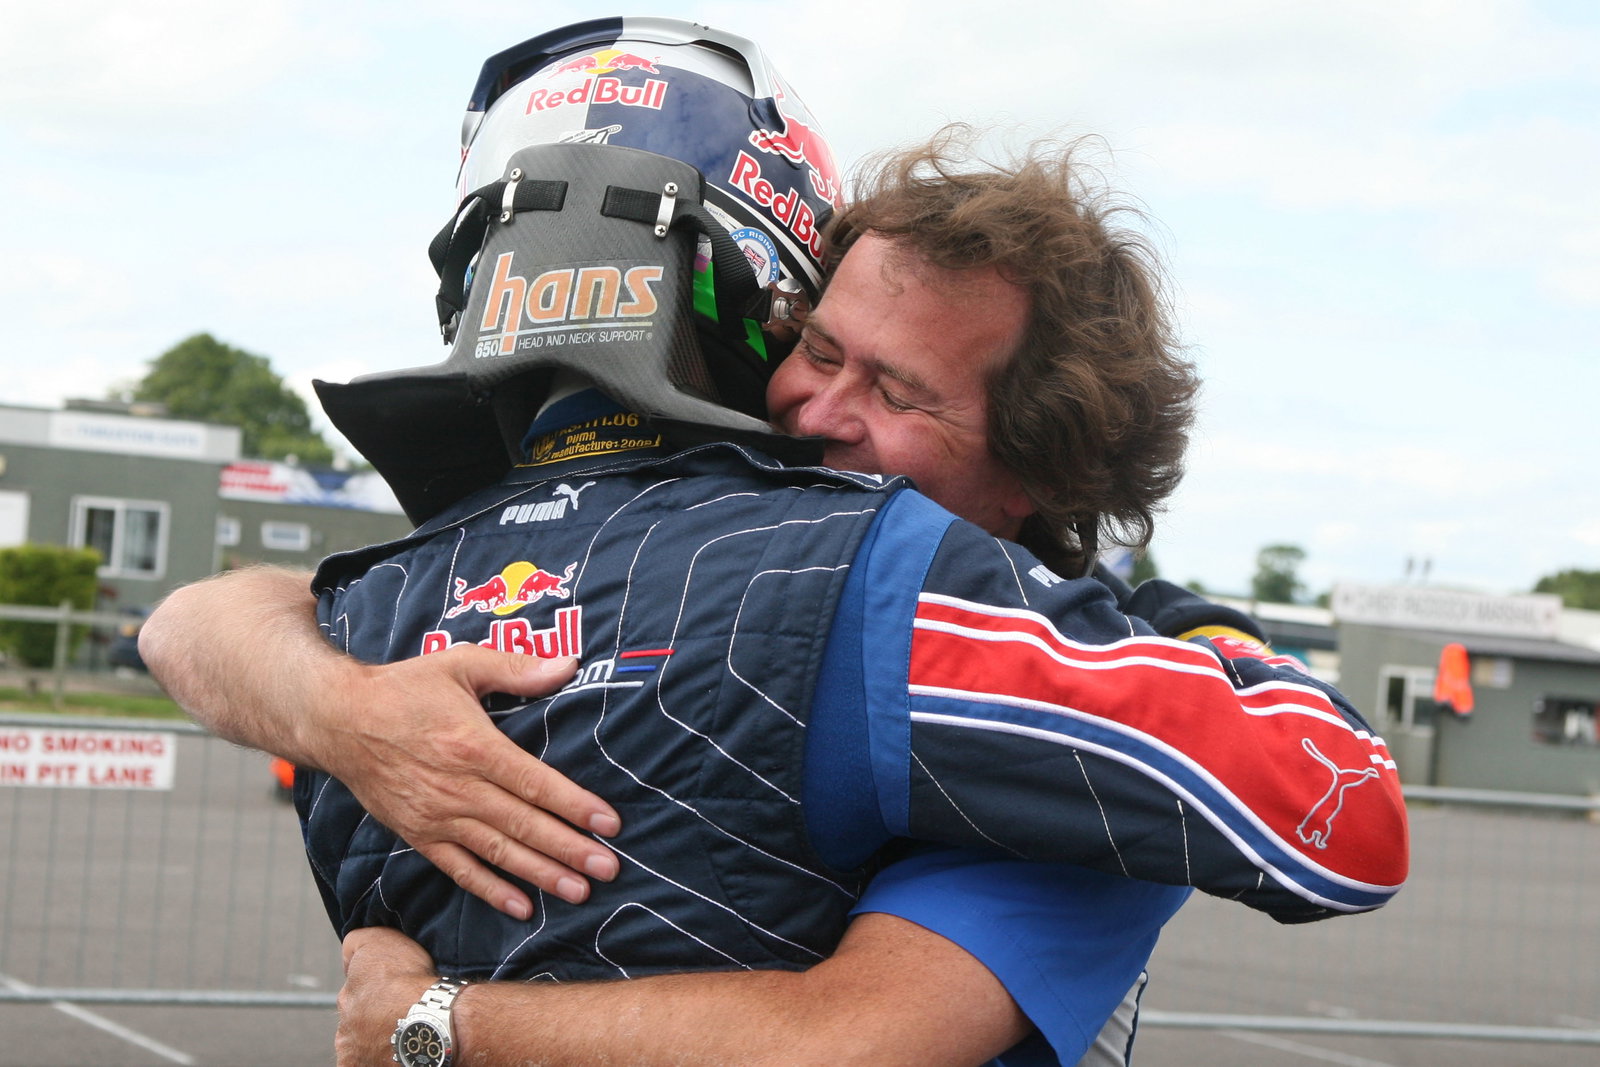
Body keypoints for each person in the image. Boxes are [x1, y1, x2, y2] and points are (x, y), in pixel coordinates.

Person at [142, 19, 1408, 1067]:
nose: (815, 408)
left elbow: (212, 616)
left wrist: (427, 1015)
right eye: (817, 347)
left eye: (897, 393)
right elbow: (195, 619)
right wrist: (343, 709)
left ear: (1039, 466)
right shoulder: (928, 621)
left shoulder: (386, 606)